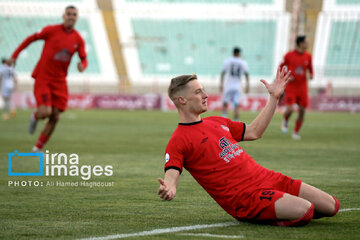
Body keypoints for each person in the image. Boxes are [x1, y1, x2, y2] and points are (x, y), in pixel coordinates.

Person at [157, 69, 339, 227]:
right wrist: (170, 189)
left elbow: (254, 132)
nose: (205, 95)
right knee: (305, 211)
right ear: (182, 100)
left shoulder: (217, 121)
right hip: (246, 198)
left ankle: (279, 207)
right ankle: (256, 217)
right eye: (198, 92)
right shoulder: (178, 140)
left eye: (203, 90)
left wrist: (274, 98)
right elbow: (171, 176)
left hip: (269, 178)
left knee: (332, 206)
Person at [7, 5, 88, 152]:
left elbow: (84, 58)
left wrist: (83, 65)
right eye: (68, 14)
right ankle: (35, 115)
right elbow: (30, 39)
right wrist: (14, 55)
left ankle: (37, 148)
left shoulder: (78, 39)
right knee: (46, 112)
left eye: (74, 14)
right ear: (63, 16)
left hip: (60, 81)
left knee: (55, 117)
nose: (71, 16)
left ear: (77, 18)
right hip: (44, 78)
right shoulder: (51, 30)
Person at [280, 35, 313, 140]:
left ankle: (296, 132)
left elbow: (310, 69)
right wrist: (286, 77)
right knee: (290, 109)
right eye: (306, 42)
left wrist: (311, 74)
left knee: (302, 110)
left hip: (302, 88)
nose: (308, 44)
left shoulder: (308, 56)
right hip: (291, 87)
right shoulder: (289, 55)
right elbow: (281, 67)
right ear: (300, 43)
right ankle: (285, 119)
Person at [220, 47, 249, 121]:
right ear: (239, 53)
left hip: (229, 85)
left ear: (233, 53)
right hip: (237, 86)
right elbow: (246, 74)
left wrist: (221, 84)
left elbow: (223, 73)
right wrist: (247, 85)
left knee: (225, 102)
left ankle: (224, 118)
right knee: (236, 104)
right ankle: (236, 121)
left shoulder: (227, 61)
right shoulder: (243, 62)